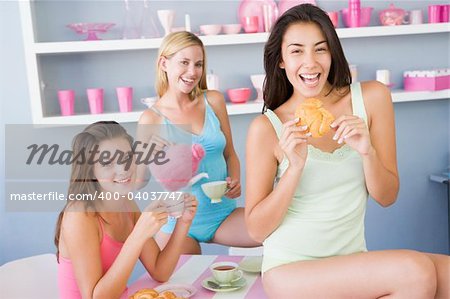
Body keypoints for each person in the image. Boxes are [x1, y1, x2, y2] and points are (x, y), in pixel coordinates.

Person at [245, 4, 449, 298]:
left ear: (332, 53)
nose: (310, 63)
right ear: (280, 60)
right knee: (414, 271)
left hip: (351, 262)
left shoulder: (372, 98)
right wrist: (295, 168)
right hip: (290, 270)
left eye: (320, 49)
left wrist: (368, 153)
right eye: (297, 51)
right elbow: (256, 230)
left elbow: (387, 196)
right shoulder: (266, 128)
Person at [138, 31, 259, 254]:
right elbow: (137, 182)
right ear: (164, 63)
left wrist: (235, 179)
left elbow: (230, 153)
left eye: (198, 64)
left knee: (275, 232)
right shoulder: (151, 118)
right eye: (184, 62)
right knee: (182, 284)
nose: (192, 72)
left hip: (222, 214)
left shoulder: (213, 101)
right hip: (178, 223)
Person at [54, 121, 197, 299]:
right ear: (91, 172)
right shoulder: (79, 215)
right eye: (107, 163)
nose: (123, 169)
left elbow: (160, 272)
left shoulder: (125, 203)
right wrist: (138, 235)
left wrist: (182, 223)